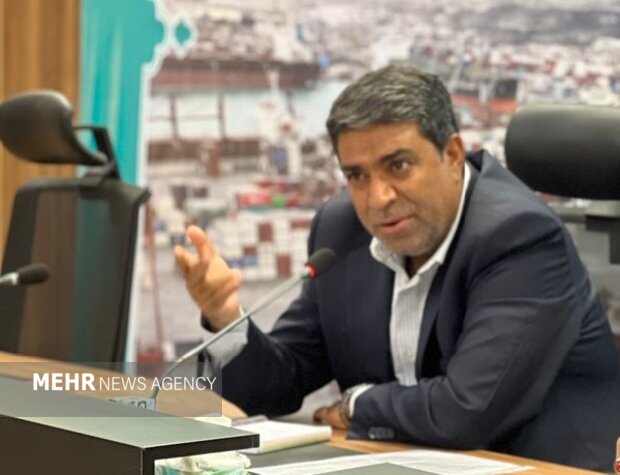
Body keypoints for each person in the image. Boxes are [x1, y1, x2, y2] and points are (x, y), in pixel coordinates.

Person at [175, 65, 620, 471]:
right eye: (357, 175)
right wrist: (225, 318)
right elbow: (277, 386)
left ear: (452, 154)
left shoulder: (520, 237)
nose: (377, 198)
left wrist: (356, 406)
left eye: (398, 166)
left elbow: (466, 411)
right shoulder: (342, 230)